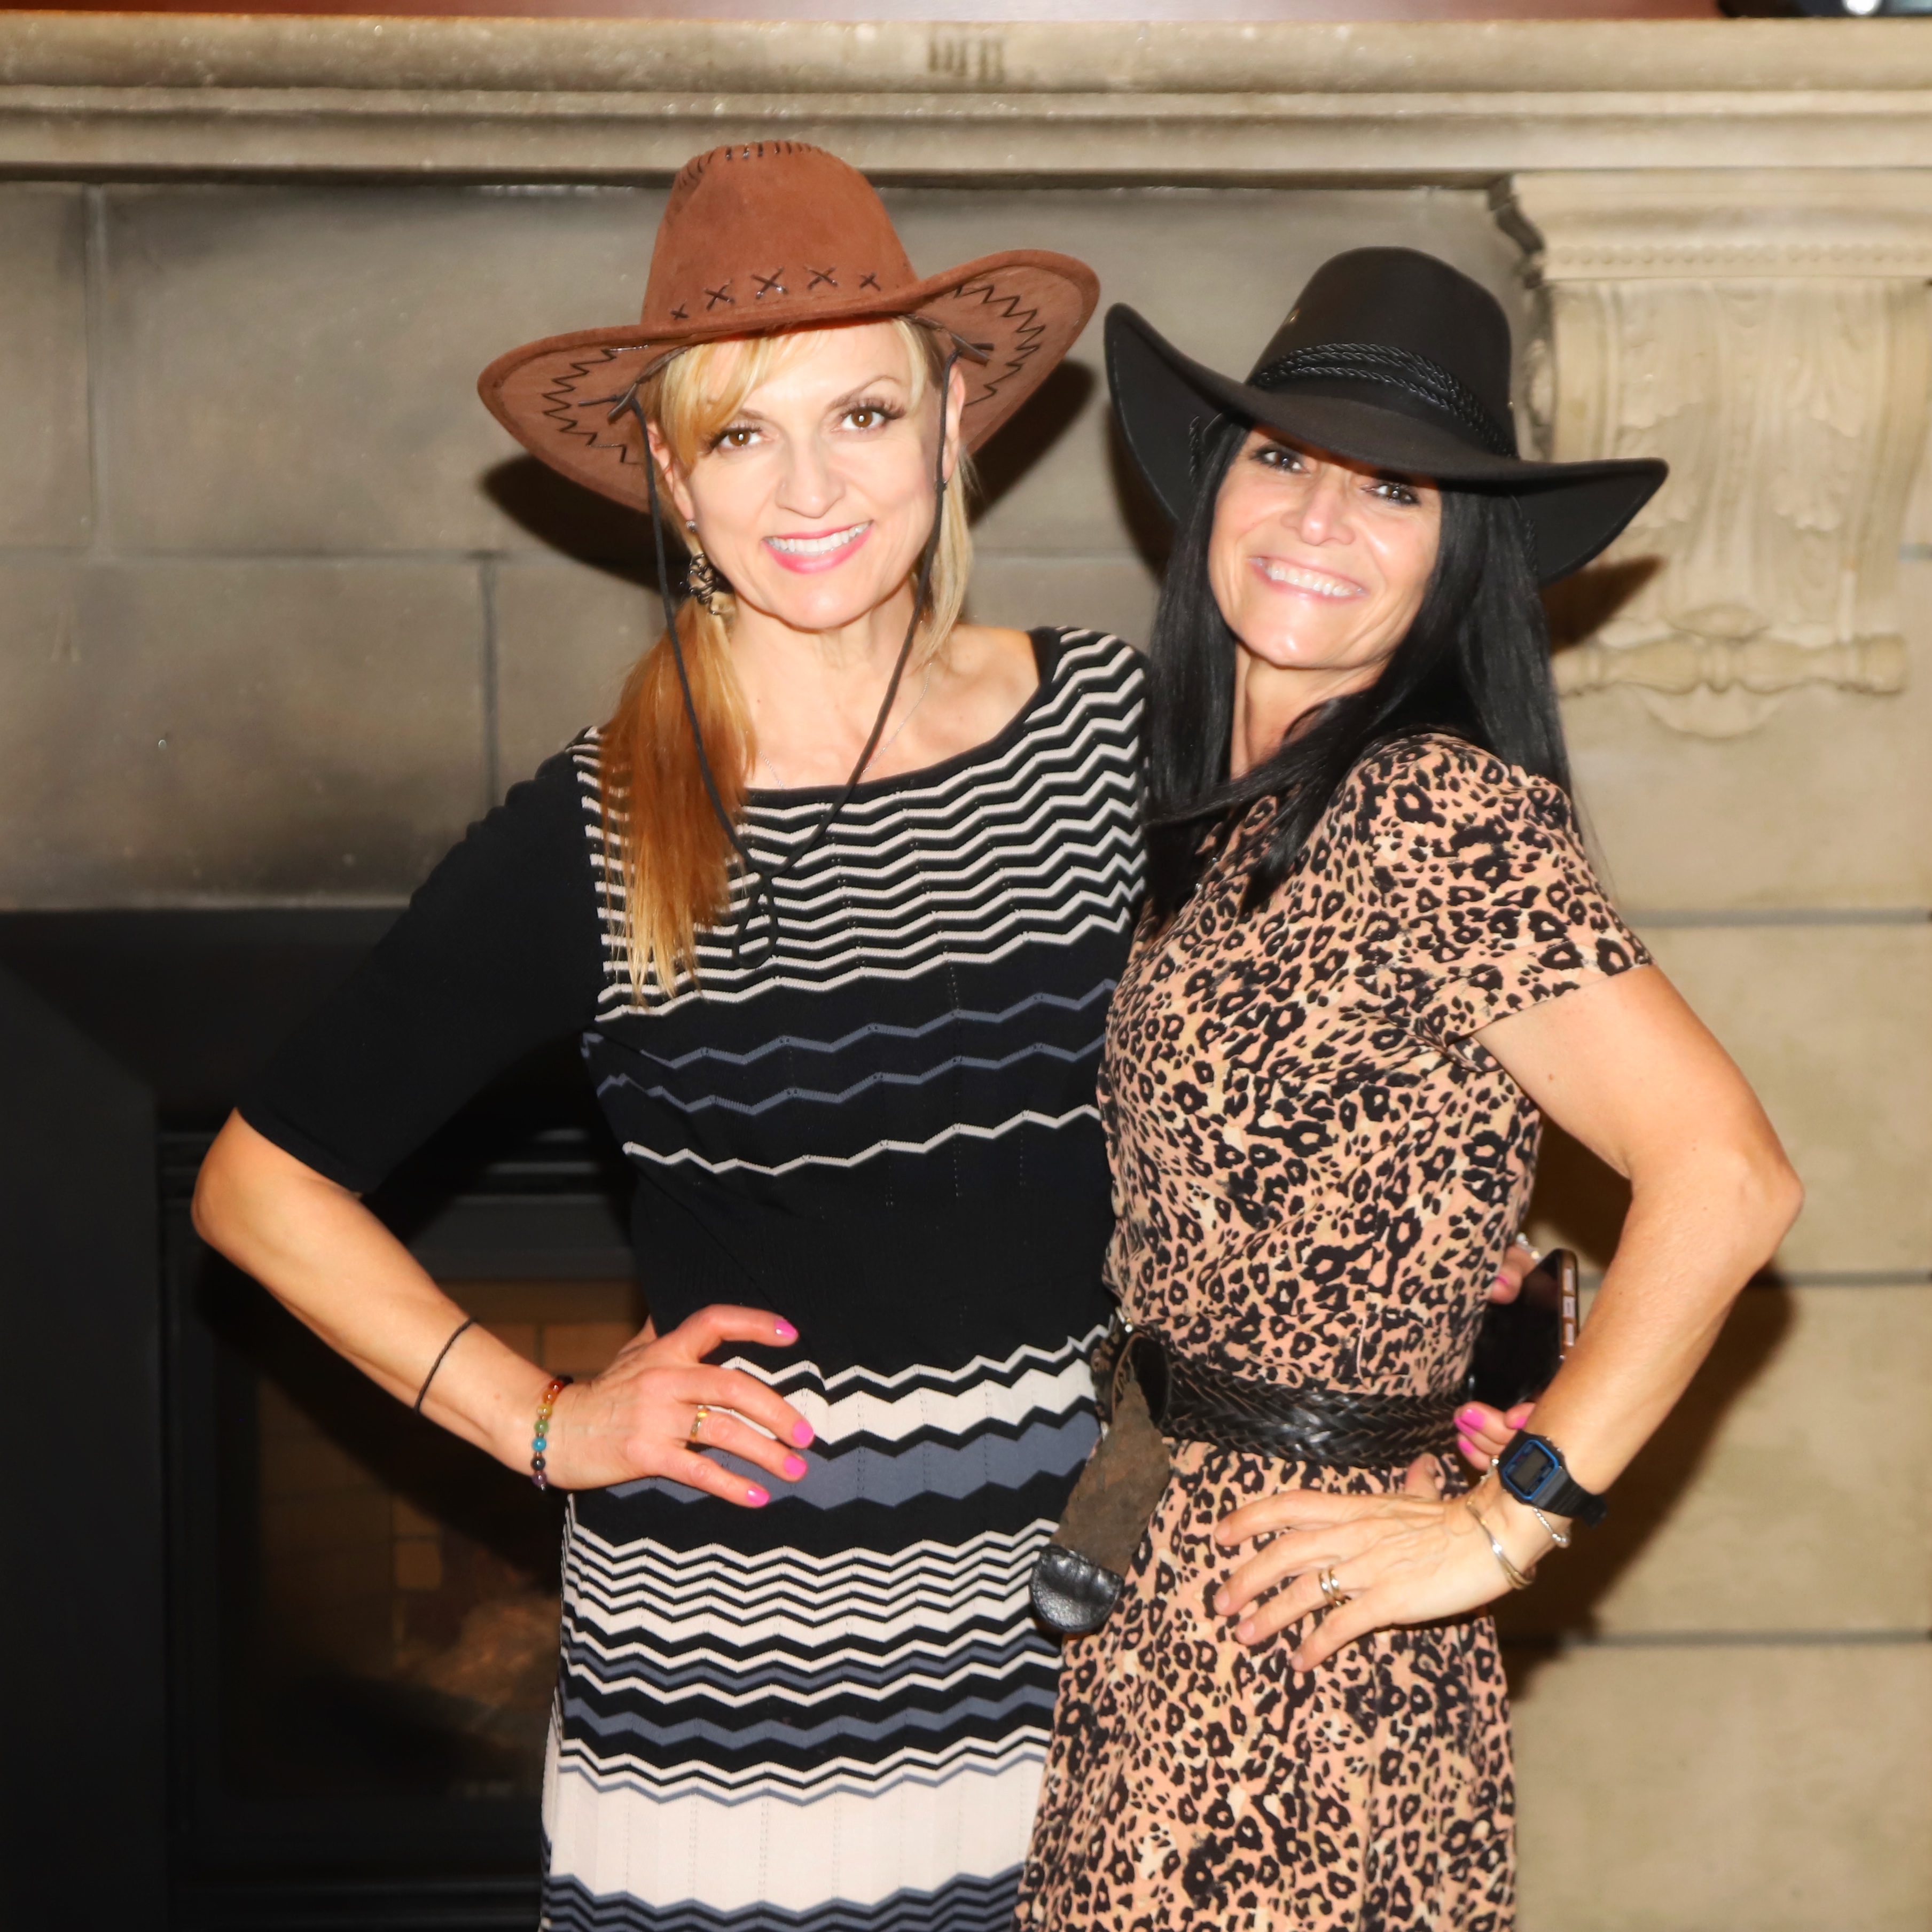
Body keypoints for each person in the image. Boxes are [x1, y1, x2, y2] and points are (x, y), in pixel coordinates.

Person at [193, 141, 1135, 1930]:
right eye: (739, 434)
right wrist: (544, 1422)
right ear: (672, 481)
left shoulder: (1113, 733)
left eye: (861, 415)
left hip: (1097, 1641)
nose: (809, 486)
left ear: (950, 425)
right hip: (751, 1702)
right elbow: (257, 1184)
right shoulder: (601, 828)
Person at [1018, 248, 1803, 1929]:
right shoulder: (1228, 823)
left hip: (1304, 1642)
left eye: (1394, 490)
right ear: (1213, 483)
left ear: (1458, 558)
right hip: (1172, 1576)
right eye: (1282, 457)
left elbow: (1729, 1178)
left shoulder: (1429, 810)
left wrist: (1506, 1524)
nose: (1319, 517)